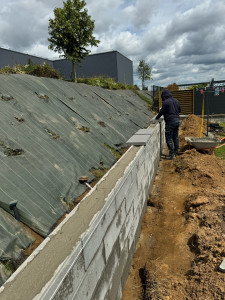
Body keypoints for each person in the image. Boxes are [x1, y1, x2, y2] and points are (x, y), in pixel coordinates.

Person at [155, 89, 181, 159]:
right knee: (175, 137)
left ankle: (172, 154)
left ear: (164, 96)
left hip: (170, 122)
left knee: (168, 138)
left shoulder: (166, 102)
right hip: (177, 121)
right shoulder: (176, 101)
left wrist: (156, 118)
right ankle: (176, 152)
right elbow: (179, 110)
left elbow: (161, 112)